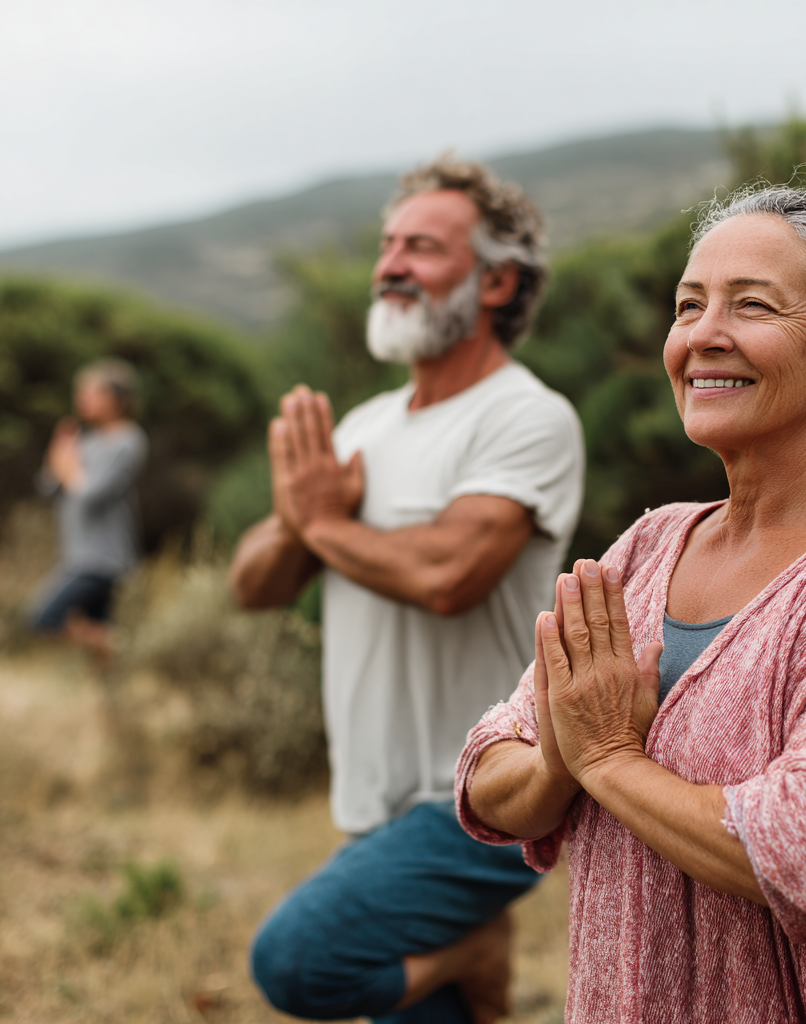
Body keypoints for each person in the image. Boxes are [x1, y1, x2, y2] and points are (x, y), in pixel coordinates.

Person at [459, 184, 806, 1023]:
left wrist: (606, 760)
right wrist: (561, 763)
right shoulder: (648, 547)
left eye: (752, 305)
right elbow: (489, 771)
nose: (703, 334)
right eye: (688, 305)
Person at [230, 157, 585, 1023]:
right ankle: (465, 965)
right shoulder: (365, 426)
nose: (390, 264)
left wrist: (321, 521)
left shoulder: (527, 417)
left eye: (422, 247)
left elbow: (446, 576)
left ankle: (474, 949)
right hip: (372, 797)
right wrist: (299, 522)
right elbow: (254, 584)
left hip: (484, 792)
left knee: (297, 962)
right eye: (388, 244)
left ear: (497, 280)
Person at [30, 358, 148, 661]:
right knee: (97, 633)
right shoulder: (87, 441)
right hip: (77, 553)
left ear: (116, 399)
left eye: (90, 393)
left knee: (43, 617)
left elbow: (90, 495)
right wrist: (58, 453)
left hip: (102, 558)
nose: (81, 399)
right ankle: (111, 678)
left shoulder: (128, 440)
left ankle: (119, 645)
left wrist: (69, 467)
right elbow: (48, 488)